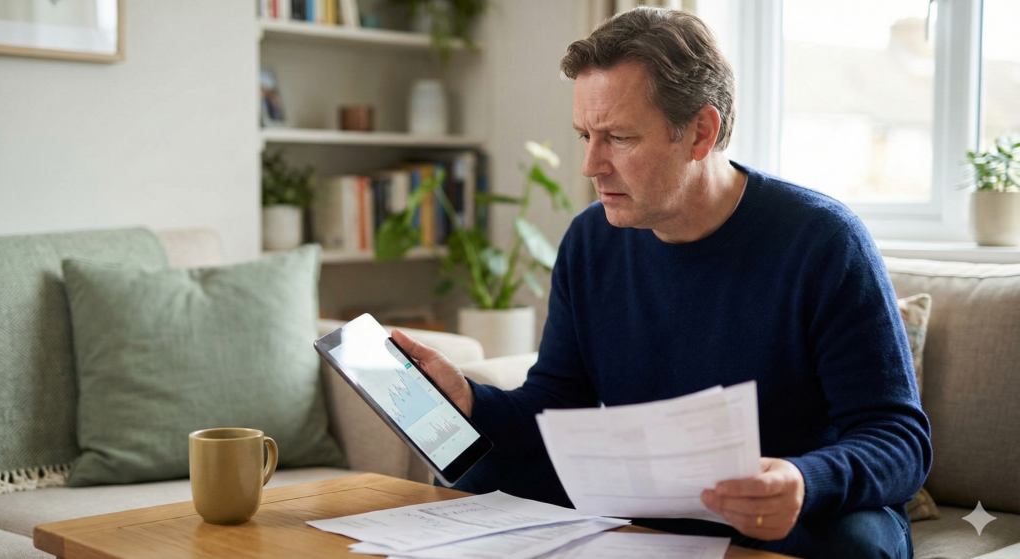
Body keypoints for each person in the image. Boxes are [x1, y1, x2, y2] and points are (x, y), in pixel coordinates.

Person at [392, 7, 931, 559]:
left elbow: (898, 440)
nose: (590, 165)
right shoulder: (590, 241)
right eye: (584, 135)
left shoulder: (823, 241)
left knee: (859, 544)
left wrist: (801, 479)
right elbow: (557, 408)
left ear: (700, 132)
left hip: (790, 509)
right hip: (647, 494)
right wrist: (470, 400)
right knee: (477, 472)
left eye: (618, 138)